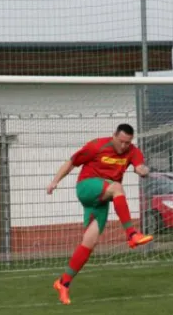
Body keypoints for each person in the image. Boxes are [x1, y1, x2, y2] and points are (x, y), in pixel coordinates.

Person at [47, 123, 153, 305]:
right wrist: (54, 181)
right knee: (117, 187)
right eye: (121, 142)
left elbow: (139, 166)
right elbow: (72, 162)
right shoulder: (97, 146)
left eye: (127, 143)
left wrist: (143, 171)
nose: (124, 146)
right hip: (87, 187)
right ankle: (132, 234)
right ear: (114, 136)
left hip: (102, 197)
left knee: (90, 242)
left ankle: (63, 282)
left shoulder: (133, 151)